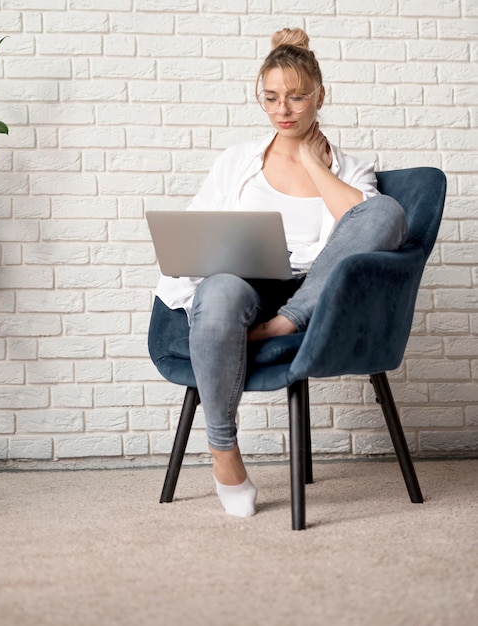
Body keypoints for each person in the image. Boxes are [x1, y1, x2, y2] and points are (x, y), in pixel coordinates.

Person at [153, 28, 408, 517]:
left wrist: (314, 165)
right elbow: (197, 227)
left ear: (320, 96)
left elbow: (368, 228)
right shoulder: (237, 162)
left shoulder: (351, 169)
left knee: (386, 213)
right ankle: (223, 451)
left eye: (295, 97)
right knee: (220, 293)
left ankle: (283, 323)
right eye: (270, 98)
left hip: (317, 289)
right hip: (245, 281)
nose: (282, 110)